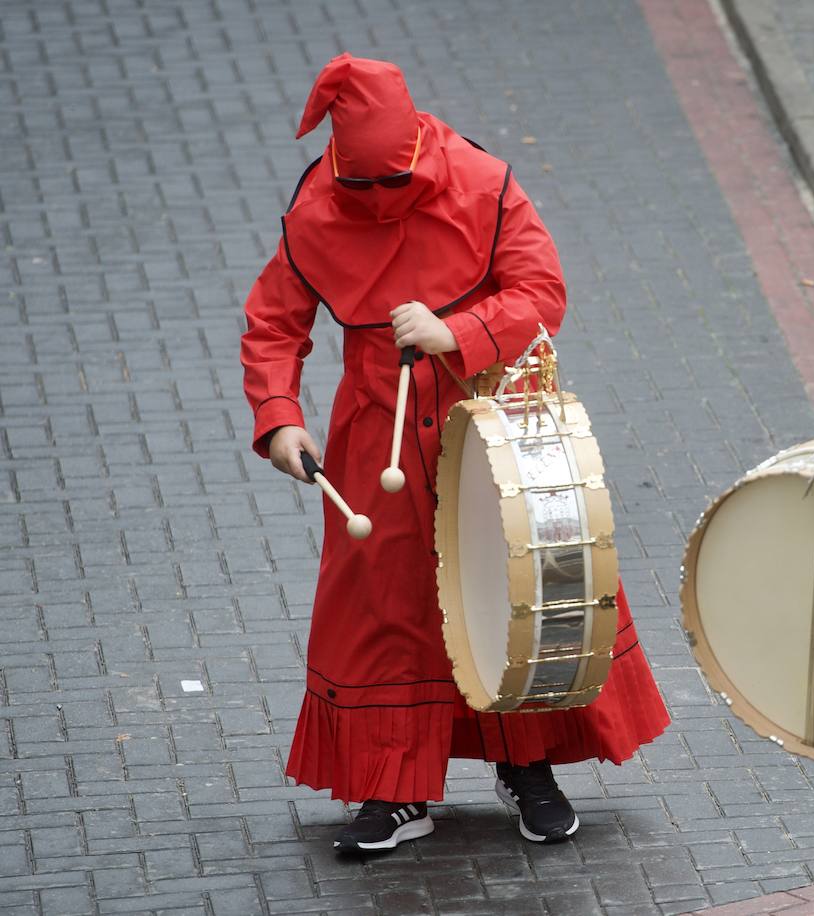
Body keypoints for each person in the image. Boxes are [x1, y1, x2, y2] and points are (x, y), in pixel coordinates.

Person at [240, 53, 669, 852]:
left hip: (491, 418)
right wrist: (279, 417)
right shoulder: (314, 209)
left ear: (416, 150)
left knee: (515, 592)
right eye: (359, 190)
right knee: (387, 611)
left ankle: (528, 764)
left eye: (391, 188)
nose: (376, 206)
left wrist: (457, 333)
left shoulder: (481, 181)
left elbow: (541, 291)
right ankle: (395, 787)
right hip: (379, 433)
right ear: (339, 166)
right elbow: (275, 321)